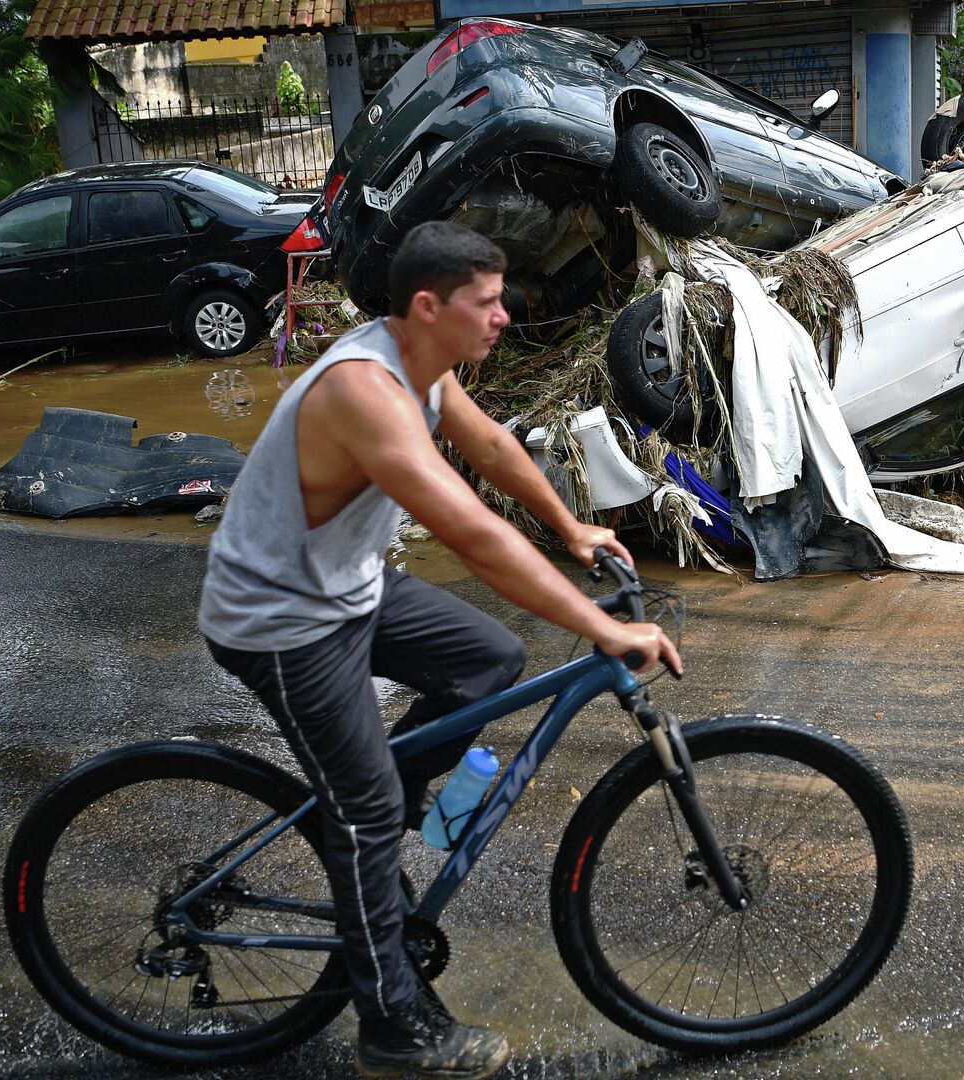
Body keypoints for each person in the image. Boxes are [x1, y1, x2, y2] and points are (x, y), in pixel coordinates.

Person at [198, 221, 683, 1079]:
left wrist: (570, 526)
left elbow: (490, 446)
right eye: (486, 303)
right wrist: (603, 627)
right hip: (280, 620)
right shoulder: (363, 392)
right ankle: (392, 1028)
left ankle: (379, 825)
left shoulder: (421, 364)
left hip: (345, 586)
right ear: (428, 307)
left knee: (487, 664)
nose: (503, 317)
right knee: (369, 811)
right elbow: (471, 535)